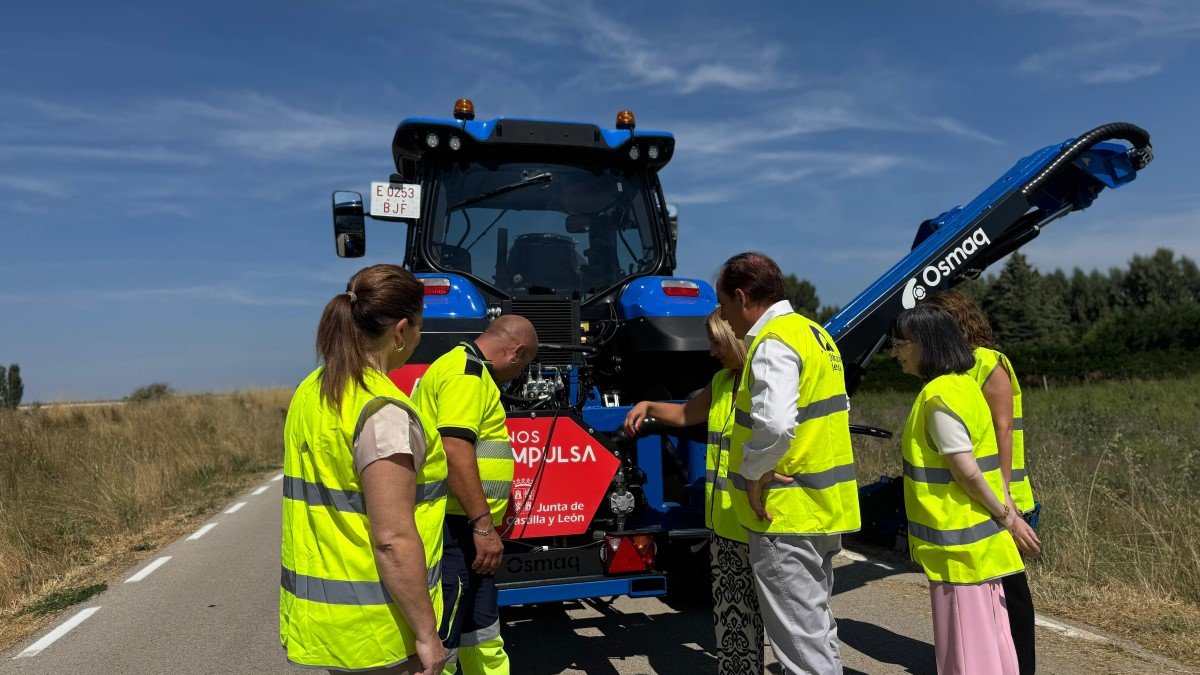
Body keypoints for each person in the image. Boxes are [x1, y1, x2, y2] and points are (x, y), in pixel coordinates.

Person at [280, 264, 448, 675]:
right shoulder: (383, 411)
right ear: (402, 330)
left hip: (330, 624)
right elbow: (392, 538)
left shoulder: (313, 388)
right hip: (381, 629)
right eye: (420, 326)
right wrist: (427, 634)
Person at [716, 252, 859, 675]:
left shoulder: (772, 341)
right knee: (816, 631)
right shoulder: (816, 335)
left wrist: (753, 472)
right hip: (820, 508)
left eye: (725, 307)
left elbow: (776, 423)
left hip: (785, 513)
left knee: (800, 648)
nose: (727, 320)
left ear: (742, 298)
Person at [889, 304, 1041, 675]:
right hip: (980, 544)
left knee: (967, 652)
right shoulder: (965, 387)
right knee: (994, 643)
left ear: (924, 344)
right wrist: (1006, 517)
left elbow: (968, 473)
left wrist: (1009, 518)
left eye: (899, 344)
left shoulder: (939, 395)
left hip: (958, 551)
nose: (894, 353)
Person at [624, 310, 765, 675]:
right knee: (734, 620)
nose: (711, 352)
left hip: (764, 522)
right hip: (727, 523)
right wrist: (649, 406)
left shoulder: (766, 379)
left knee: (782, 619)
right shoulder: (722, 381)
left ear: (736, 338)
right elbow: (687, 414)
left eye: (717, 343)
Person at [411, 315, 538, 675]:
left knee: (481, 633)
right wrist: (483, 526)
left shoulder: (467, 369)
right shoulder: (466, 375)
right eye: (524, 365)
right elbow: (454, 450)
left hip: (465, 527)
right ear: (516, 353)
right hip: (456, 528)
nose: (519, 374)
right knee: (446, 639)